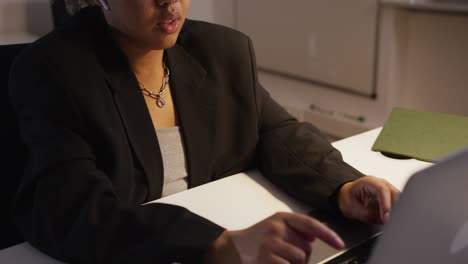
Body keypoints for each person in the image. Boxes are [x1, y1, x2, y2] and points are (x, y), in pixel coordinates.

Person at [9, 0, 399, 263]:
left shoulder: (221, 50)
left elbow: (277, 132)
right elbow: (71, 211)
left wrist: (345, 187)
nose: (170, 0)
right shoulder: (54, 70)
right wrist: (216, 244)